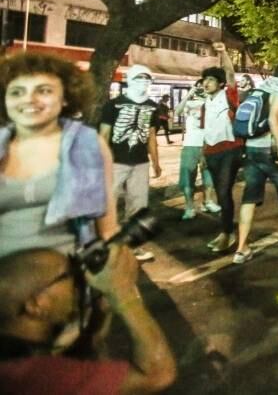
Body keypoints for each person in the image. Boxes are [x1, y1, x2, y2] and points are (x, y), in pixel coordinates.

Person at [0, 246, 176, 394]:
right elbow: (157, 374)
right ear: (36, 304)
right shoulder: (37, 376)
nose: (80, 279)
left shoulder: (15, 350)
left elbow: (86, 361)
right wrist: (124, 293)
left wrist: (102, 311)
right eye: (69, 274)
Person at [0, 53, 117, 258]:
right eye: (17, 92)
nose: (29, 99)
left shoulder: (88, 145)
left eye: (43, 90)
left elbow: (107, 230)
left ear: (65, 98)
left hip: (65, 280)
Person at [234, 63, 278, 264]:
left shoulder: (259, 90)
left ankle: (241, 248)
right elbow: (274, 118)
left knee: (250, 196)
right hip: (270, 148)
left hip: (251, 148)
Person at [99, 65, 161, 262]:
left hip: (140, 162)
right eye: (138, 78)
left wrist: (156, 162)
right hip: (116, 162)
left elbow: (151, 135)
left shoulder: (152, 106)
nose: (143, 82)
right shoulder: (114, 105)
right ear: (130, 80)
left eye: (146, 79)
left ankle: (133, 247)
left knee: (139, 205)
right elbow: (104, 134)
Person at [200, 44, 243, 253]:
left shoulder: (228, 96)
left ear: (220, 83)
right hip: (211, 153)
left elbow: (231, 73)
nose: (205, 84)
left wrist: (224, 52)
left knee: (224, 192)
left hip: (230, 151)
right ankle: (225, 231)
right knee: (220, 194)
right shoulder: (205, 103)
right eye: (204, 80)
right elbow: (205, 131)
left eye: (210, 80)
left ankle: (228, 234)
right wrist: (202, 155)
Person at [175, 80, 220, 220]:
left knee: (209, 175)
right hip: (190, 144)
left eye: (205, 85)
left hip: (208, 143)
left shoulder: (212, 102)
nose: (202, 88)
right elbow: (177, 111)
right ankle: (189, 207)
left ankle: (208, 201)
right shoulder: (189, 103)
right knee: (188, 176)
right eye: (199, 86)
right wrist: (190, 93)